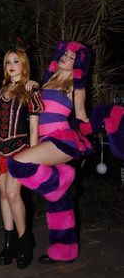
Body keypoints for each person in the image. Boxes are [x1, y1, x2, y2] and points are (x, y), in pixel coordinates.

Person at [7, 41, 93, 264]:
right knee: (58, 201)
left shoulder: (76, 84)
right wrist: (33, 86)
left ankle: (60, 180)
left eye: (72, 57)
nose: (66, 58)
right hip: (44, 140)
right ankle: (64, 250)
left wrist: (101, 124)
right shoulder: (47, 81)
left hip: (62, 139)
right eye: (65, 54)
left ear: (78, 64)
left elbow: (82, 116)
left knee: (17, 164)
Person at [0, 48, 44, 269]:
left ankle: (25, 240)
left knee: (13, 194)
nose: (12, 65)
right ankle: (9, 243)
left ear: (24, 64)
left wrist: (34, 157)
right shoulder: (0, 91)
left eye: (16, 61)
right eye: (8, 62)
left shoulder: (31, 91)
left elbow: (34, 128)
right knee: (3, 196)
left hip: (20, 150)